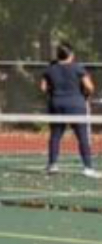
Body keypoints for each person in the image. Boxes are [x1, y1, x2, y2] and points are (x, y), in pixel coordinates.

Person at [40, 41, 99, 177]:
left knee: (55, 135)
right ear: (71, 55)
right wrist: (84, 95)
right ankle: (88, 168)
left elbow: (43, 87)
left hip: (56, 104)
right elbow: (90, 87)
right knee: (82, 136)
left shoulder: (50, 69)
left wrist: (54, 92)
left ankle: (52, 165)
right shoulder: (78, 68)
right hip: (76, 105)